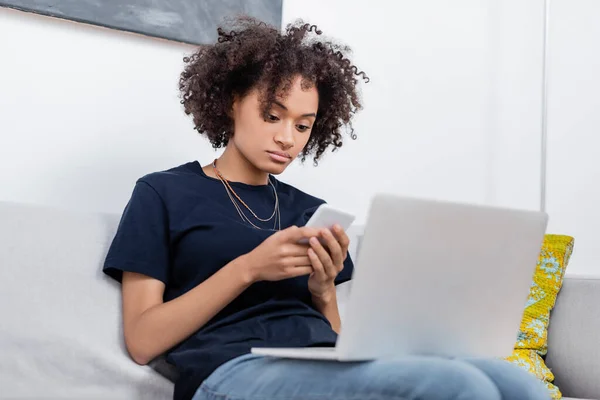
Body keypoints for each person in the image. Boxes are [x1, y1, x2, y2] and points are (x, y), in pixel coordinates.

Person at [103, 16, 551, 400]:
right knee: (456, 386)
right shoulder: (162, 193)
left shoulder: (311, 211)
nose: (287, 138)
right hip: (231, 369)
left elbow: (337, 336)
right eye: (272, 116)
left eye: (303, 125)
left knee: (518, 385)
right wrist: (249, 268)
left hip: (322, 360)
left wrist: (324, 291)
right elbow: (143, 341)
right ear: (229, 103)